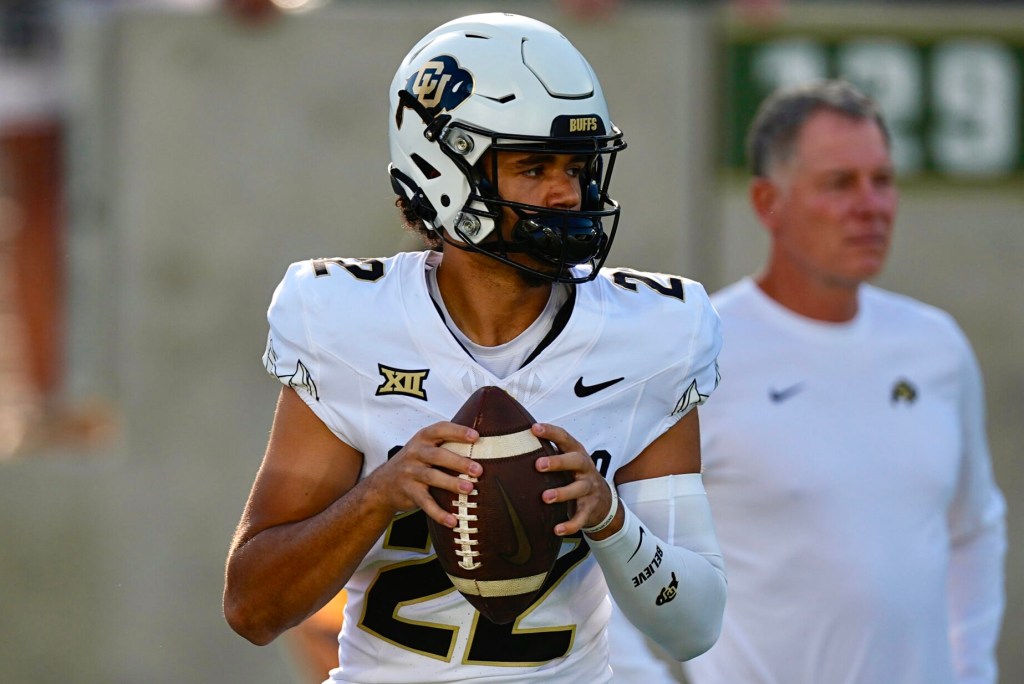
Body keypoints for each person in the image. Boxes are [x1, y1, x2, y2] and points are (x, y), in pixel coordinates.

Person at [223, 12, 727, 683]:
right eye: (534, 165)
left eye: (578, 167)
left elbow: (693, 627)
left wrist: (609, 518)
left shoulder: (652, 337)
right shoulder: (344, 324)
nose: (566, 192)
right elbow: (253, 608)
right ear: (441, 169)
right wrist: (378, 496)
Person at [676, 80, 1005, 684]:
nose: (871, 205)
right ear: (767, 202)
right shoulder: (698, 350)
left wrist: (971, 669)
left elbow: (974, 530)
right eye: (839, 183)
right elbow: (618, 558)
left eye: (882, 180)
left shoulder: (936, 346)